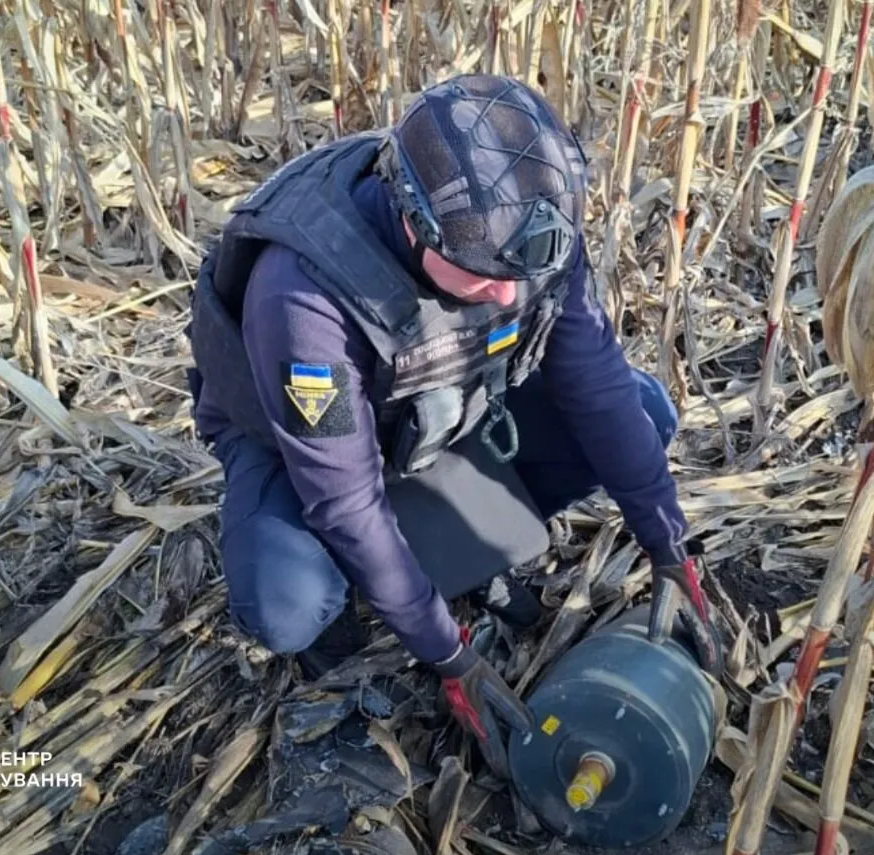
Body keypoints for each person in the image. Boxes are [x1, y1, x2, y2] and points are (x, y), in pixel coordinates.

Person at [185, 73, 721, 779]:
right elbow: (343, 499)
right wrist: (450, 656)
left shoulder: (531, 219)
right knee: (288, 604)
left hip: (436, 408)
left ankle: (448, 545)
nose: (506, 294)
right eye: (482, 275)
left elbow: (596, 385)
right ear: (412, 218)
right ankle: (359, 605)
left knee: (644, 417)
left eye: (518, 278)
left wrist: (667, 547)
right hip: (308, 450)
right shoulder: (304, 294)